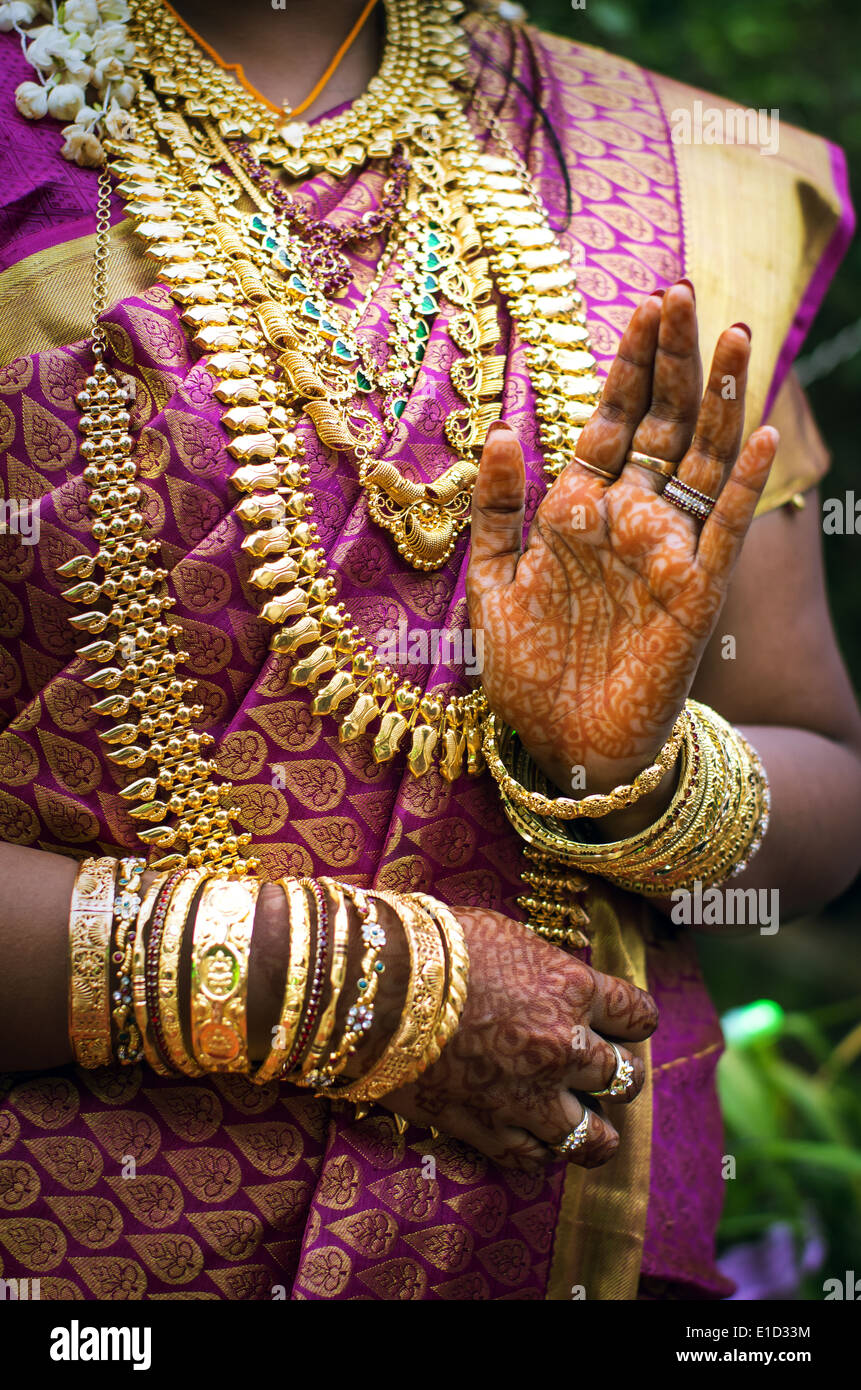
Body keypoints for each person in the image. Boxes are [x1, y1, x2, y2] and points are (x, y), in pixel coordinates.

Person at [0, 0, 858, 1302]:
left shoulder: (677, 173)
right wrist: (361, 991)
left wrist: (631, 772)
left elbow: (822, 772)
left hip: (569, 1230)